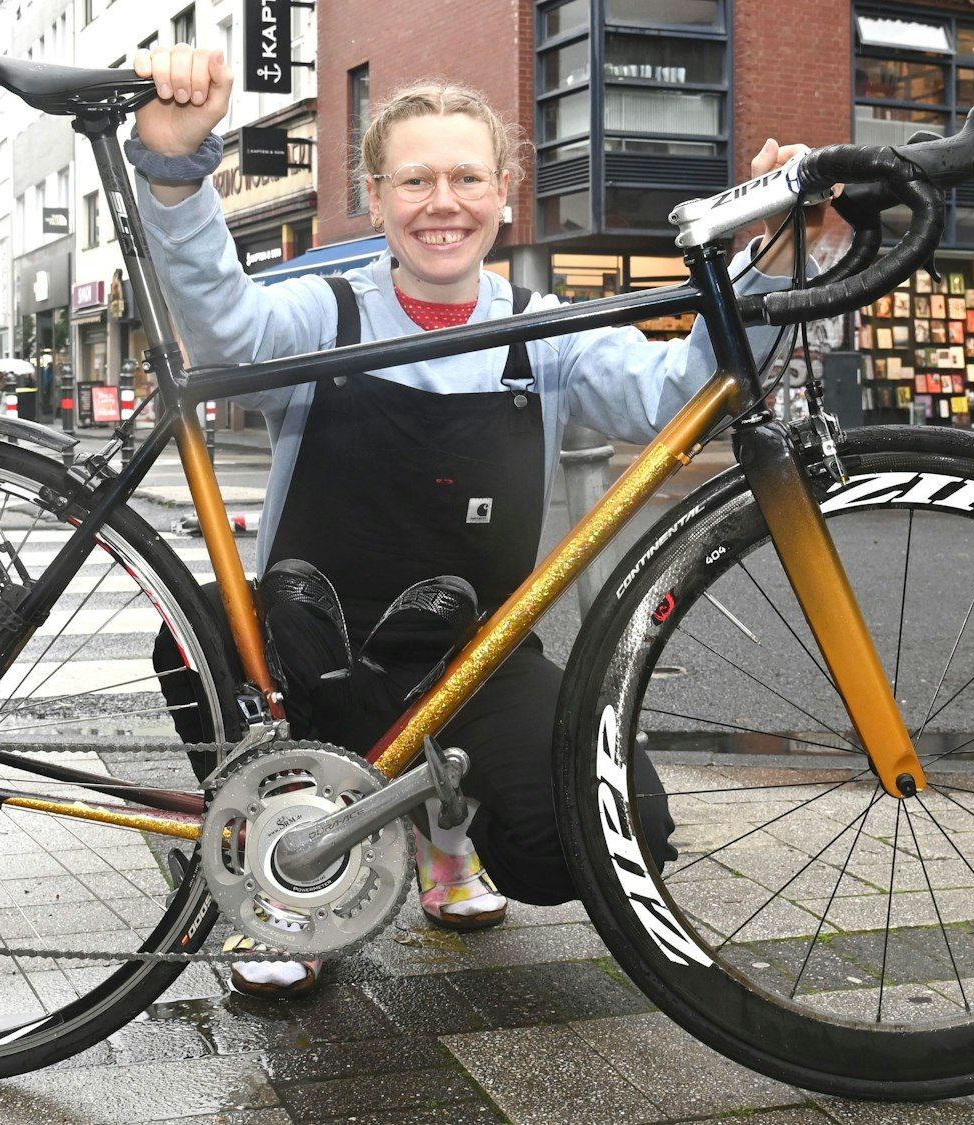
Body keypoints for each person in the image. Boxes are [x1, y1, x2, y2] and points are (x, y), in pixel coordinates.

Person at [130, 46, 817, 999]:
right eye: (414, 179)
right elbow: (221, 326)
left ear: (505, 194)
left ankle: (441, 822)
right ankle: (282, 871)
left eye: (465, 177)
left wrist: (771, 248)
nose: (440, 201)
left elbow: (677, 394)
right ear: (376, 199)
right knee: (193, 632)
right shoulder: (324, 312)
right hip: (310, 643)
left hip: (474, 656)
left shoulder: (547, 328)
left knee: (599, 843)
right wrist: (174, 172)